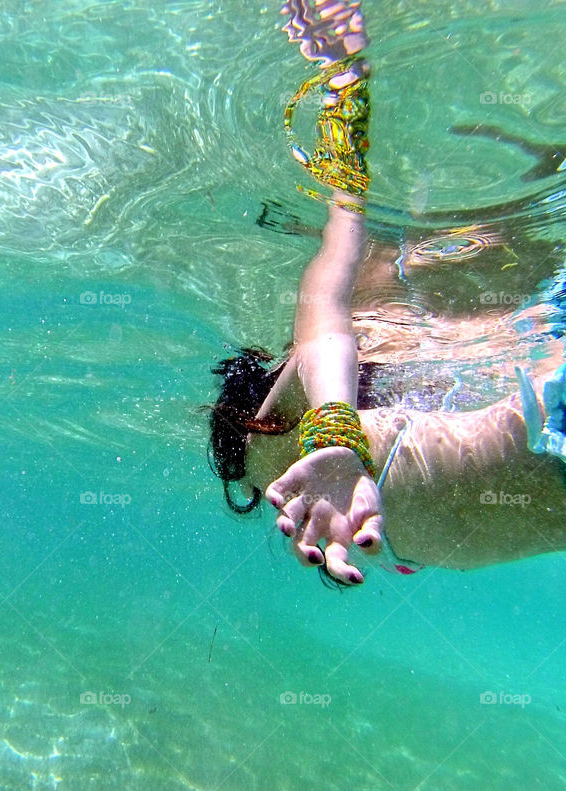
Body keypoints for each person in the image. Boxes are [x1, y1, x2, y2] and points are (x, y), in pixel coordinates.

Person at [208, 0, 566, 586]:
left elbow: (320, 352)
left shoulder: (343, 506)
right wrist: (345, 82)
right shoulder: (275, 445)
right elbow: (317, 340)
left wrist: (337, 433)